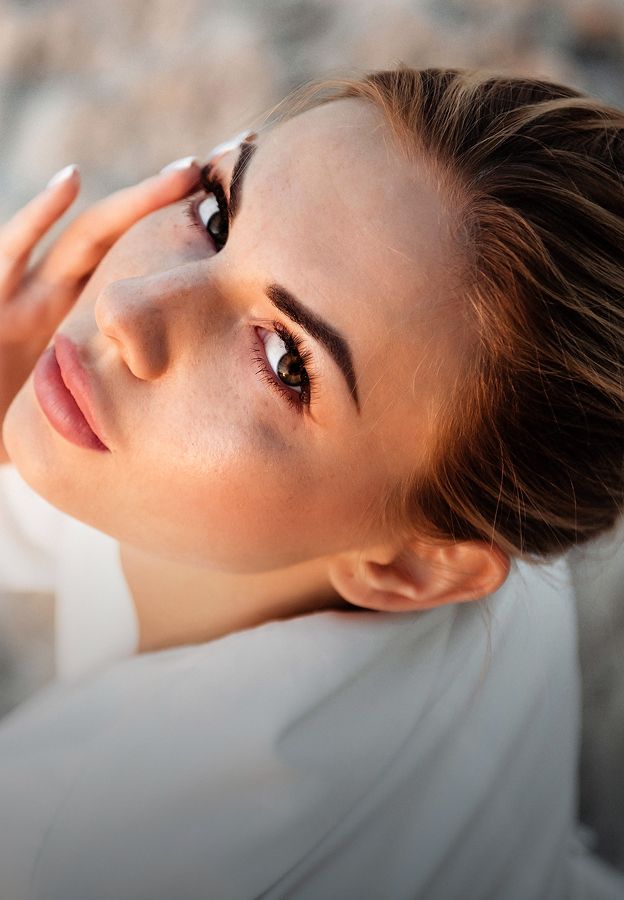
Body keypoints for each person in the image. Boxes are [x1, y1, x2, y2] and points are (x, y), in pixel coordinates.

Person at [0, 65, 623, 899]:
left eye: (285, 359)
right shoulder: (476, 478)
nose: (128, 308)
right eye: (218, 212)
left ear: (413, 569)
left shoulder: (73, 841)